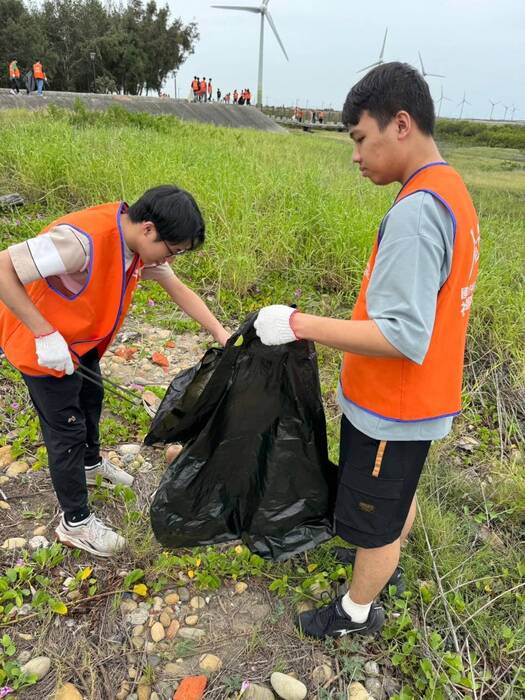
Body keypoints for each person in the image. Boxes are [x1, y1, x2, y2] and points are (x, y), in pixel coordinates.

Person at [254, 62, 480, 639]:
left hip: (393, 409)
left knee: (375, 519)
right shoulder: (450, 190)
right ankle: (382, 568)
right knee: (394, 494)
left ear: (399, 124)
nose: (355, 155)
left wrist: (299, 323)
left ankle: (355, 611)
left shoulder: (416, 212)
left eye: (359, 137)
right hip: (420, 401)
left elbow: (401, 335)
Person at [0, 185, 230, 558]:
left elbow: (175, 287)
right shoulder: (81, 242)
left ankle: (90, 465)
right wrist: (44, 334)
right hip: (40, 347)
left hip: (79, 342)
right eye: (171, 251)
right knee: (67, 429)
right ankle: (75, 523)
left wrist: (221, 333)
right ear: (149, 229)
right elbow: (3, 267)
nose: (170, 260)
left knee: (91, 400)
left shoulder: (135, 244)